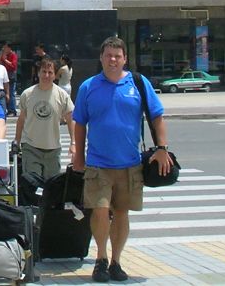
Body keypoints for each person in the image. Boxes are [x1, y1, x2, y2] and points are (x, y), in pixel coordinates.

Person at [71, 36, 171, 283]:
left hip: (129, 163)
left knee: (122, 212)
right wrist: (77, 155)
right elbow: (80, 124)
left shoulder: (138, 83)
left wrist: (162, 148)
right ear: (101, 58)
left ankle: (116, 261)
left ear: (125, 58)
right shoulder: (89, 86)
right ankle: (101, 260)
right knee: (100, 210)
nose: (113, 60)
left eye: (117, 56)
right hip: (98, 163)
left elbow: (156, 116)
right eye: (108, 55)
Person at [15, 57, 75, 180]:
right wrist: (17, 140)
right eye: (43, 71)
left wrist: (73, 143)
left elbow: (70, 119)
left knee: (51, 187)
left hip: (53, 149)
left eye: (50, 72)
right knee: (31, 184)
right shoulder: (27, 94)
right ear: (38, 73)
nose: (46, 75)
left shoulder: (62, 95)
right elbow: (21, 119)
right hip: (31, 147)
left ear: (55, 75)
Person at [1, 41, 19, 116]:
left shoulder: (13, 55)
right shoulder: (4, 55)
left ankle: (12, 110)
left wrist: (5, 60)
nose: (4, 49)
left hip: (11, 76)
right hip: (4, 76)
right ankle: (7, 109)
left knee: (11, 93)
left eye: (5, 47)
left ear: (9, 48)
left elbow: (13, 66)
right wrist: (2, 56)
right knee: (5, 93)